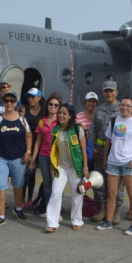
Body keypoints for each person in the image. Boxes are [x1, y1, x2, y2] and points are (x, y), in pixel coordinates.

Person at [95, 96, 132, 235]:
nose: (125, 108)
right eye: (123, 105)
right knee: (111, 194)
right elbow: (108, 141)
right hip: (113, 162)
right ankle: (108, 221)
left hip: (129, 163)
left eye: (128, 106)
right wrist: (105, 157)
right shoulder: (114, 121)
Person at [0, 91, 32, 228]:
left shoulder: (22, 119)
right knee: (0, 186)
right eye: (6, 101)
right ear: (3, 103)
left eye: (12, 101)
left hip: (18, 157)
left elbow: (29, 136)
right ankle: (1, 216)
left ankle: (18, 209)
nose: (9, 103)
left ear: (16, 102)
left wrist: (28, 152)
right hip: (1, 157)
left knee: (18, 185)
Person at [45, 104, 89, 232]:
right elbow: (53, 151)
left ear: (70, 116)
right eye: (60, 113)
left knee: (76, 196)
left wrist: (85, 168)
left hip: (75, 168)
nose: (61, 115)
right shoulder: (55, 130)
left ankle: (77, 221)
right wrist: (52, 167)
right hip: (61, 168)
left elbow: (84, 150)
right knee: (55, 194)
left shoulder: (77, 129)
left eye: (64, 113)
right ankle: (52, 223)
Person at [88, 81, 125, 224]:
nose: (109, 93)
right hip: (100, 150)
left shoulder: (122, 108)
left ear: (116, 92)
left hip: (116, 151)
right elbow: (92, 130)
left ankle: (116, 209)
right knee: (99, 180)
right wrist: (93, 148)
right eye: (106, 91)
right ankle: (102, 208)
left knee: (117, 182)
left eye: (111, 90)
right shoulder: (99, 109)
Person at [29, 93, 61, 215]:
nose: (53, 106)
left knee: (58, 184)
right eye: (51, 104)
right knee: (47, 185)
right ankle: (50, 210)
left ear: (59, 107)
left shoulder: (61, 121)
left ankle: (57, 209)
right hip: (44, 156)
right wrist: (33, 157)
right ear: (47, 106)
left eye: (56, 105)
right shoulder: (42, 122)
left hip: (58, 157)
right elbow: (38, 141)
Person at [21, 87, 43, 209]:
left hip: (39, 144)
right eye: (29, 97)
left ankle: (30, 198)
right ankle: (22, 198)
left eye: (33, 97)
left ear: (39, 97)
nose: (30, 99)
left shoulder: (43, 111)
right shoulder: (24, 110)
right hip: (26, 144)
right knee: (25, 173)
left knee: (33, 172)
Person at [76, 92, 98, 169]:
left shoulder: (99, 116)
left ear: (96, 103)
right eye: (89, 101)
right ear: (85, 103)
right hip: (82, 142)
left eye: (93, 101)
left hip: (95, 142)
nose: (91, 103)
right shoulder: (79, 116)